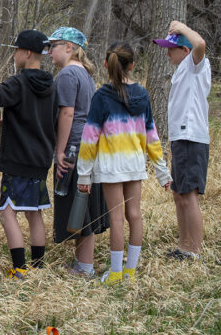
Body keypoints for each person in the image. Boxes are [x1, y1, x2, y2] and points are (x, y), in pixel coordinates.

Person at [77, 41, 172, 284]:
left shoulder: (101, 96)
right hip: (135, 165)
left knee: (117, 218)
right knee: (135, 215)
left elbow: (90, 138)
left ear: (105, 64)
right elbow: (152, 134)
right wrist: (162, 172)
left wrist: (84, 174)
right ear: (132, 65)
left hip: (110, 167)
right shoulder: (142, 94)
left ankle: (116, 273)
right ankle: (130, 271)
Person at [0, 30, 57, 279]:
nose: (14, 54)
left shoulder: (18, 82)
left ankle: (19, 269)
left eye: (16, 50)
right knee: (34, 212)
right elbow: (44, 120)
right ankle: (38, 268)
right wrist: (9, 124)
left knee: (8, 213)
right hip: (40, 161)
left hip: (17, 161)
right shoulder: (50, 84)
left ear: (27, 53)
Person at [47, 27, 109, 278]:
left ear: (69, 48)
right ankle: (83, 264)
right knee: (82, 203)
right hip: (88, 145)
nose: (49, 51)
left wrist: (59, 151)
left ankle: (83, 268)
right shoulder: (84, 74)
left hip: (73, 146)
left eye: (54, 46)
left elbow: (67, 113)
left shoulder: (67, 74)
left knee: (76, 205)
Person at [152, 22, 211, 260]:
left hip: (191, 138)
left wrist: (182, 27)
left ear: (185, 51)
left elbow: (200, 44)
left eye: (171, 49)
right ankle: (184, 245)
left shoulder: (196, 64)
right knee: (179, 194)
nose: (167, 53)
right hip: (181, 138)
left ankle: (193, 251)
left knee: (188, 195)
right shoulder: (183, 68)